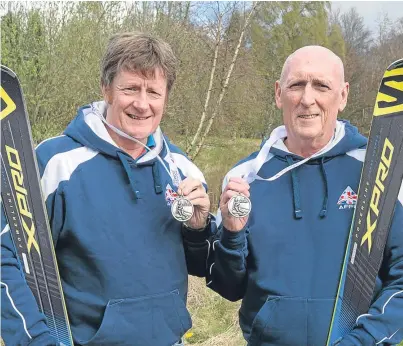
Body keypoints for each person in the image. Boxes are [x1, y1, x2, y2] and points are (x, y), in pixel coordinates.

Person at [1, 32, 213, 346]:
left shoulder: (182, 168)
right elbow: (6, 257)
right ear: (107, 90)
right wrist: (36, 340)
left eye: (153, 91)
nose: (142, 104)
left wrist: (199, 229)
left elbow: (202, 266)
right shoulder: (55, 163)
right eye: (130, 88)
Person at [206, 46, 403, 345]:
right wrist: (232, 234)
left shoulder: (380, 172)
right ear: (278, 93)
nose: (307, 98)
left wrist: (360, 341)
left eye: (321, 85)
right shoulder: (246, 176)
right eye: (296, 84)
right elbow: (230, 286)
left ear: (343, 95)